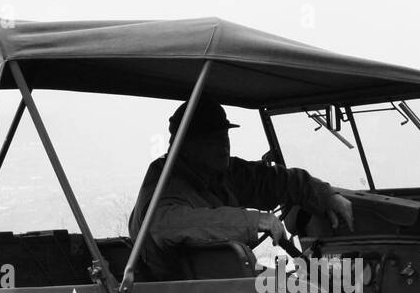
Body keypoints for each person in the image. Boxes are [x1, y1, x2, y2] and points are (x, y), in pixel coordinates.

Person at [127, 98, 353, 281]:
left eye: (225, 136)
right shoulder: (165, 181)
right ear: (185, 145)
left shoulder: (220, 172)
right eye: (212, 139)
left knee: (306, 286)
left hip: (219, 285)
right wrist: (254, 221)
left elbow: (273, 180)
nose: (224, 145)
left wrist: (325, 195)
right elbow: (167, 224)